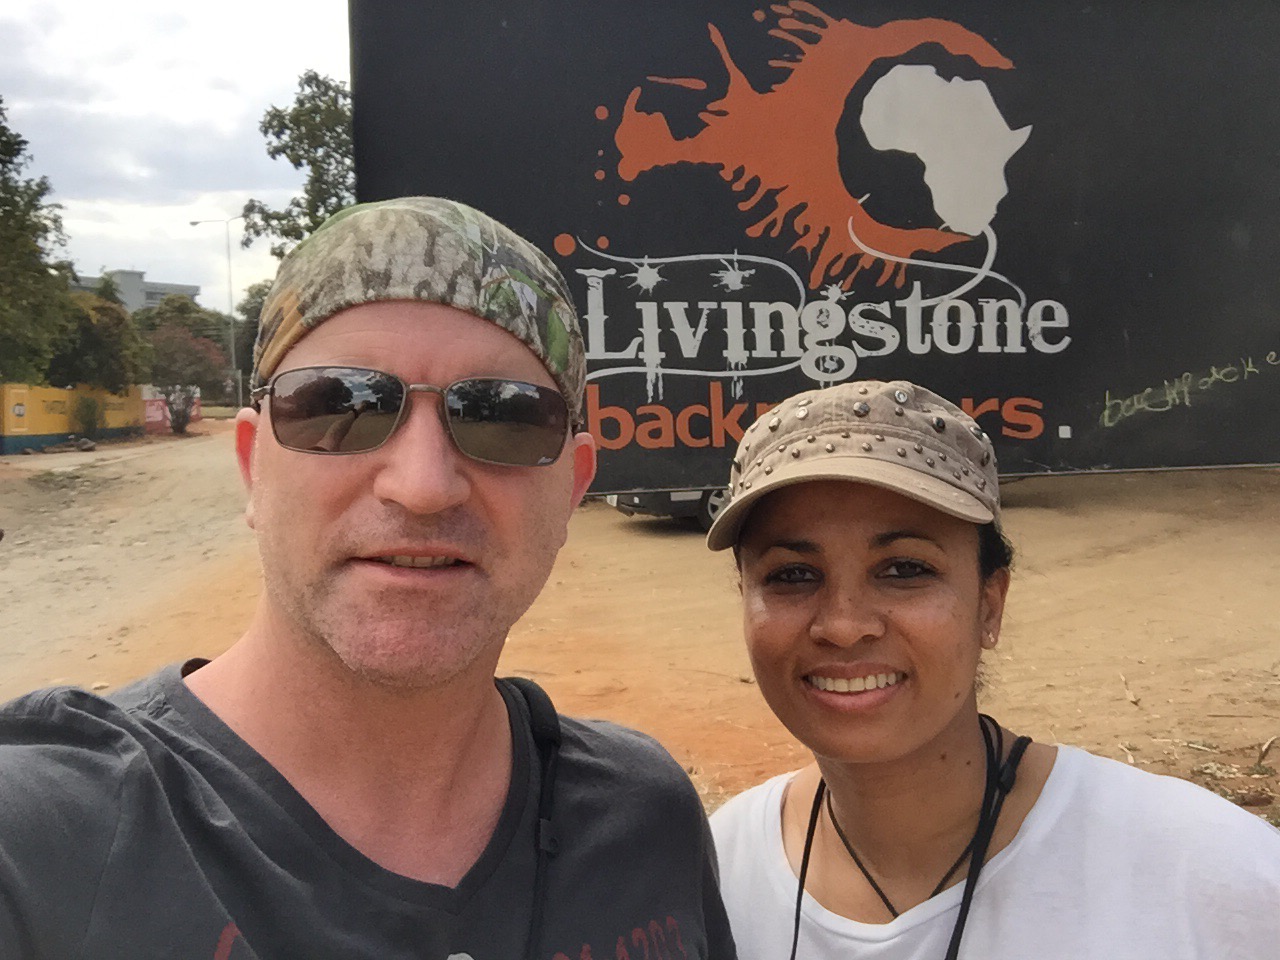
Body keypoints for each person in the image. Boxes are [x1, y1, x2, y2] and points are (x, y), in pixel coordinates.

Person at [0, 197, 736, 960]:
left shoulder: (645, 826)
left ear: (573, 488)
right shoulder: (51, 836)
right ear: (253, 467)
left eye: (505, 417)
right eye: (338, 405)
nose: (423, 486)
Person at [704, 379, 1280, 960]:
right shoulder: (712, 876)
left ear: (989, 606)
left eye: (904, 569)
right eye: (792, 575)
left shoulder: (1214, 880)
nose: (844, 625)